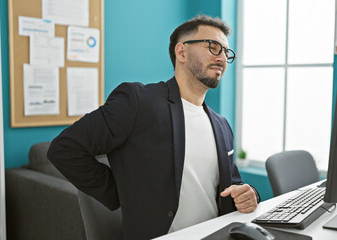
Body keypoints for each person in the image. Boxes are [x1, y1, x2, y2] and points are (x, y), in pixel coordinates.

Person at [47, 15, 260, 240]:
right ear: (182, 52)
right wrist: (119, 192)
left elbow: (232, 185)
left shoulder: (222, 125)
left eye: (226, 52)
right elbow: (65, 148)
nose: (222, 58)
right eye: (213, 47)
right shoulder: (138, 101)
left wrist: (249, 193)